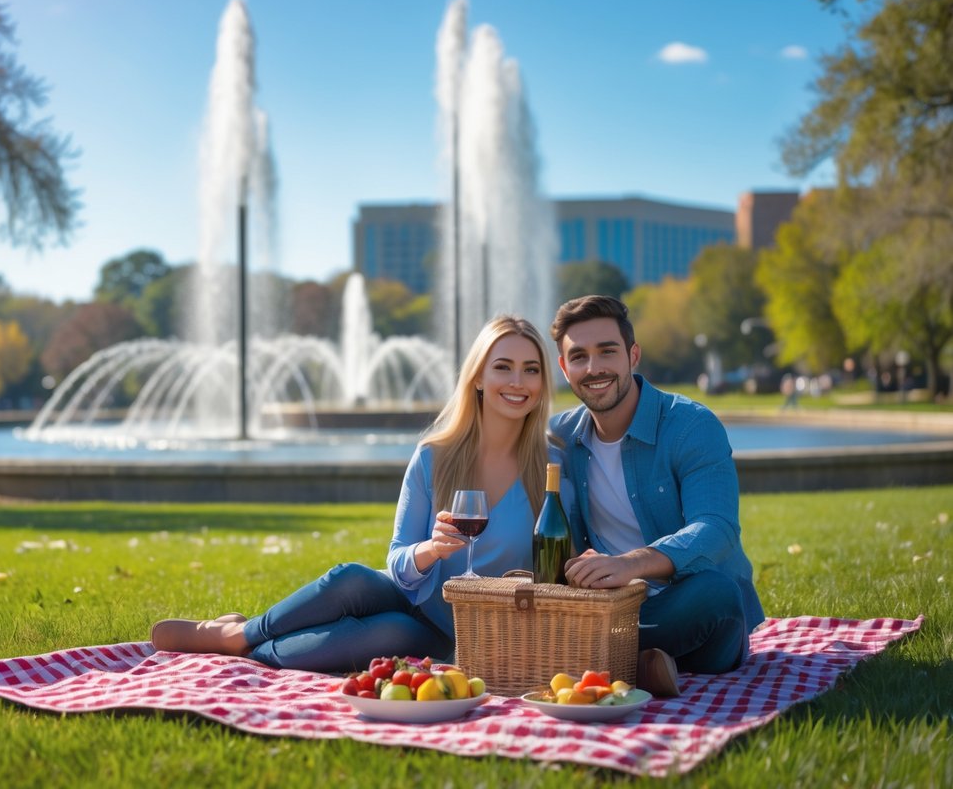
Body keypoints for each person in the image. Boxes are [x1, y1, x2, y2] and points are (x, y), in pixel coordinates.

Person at [150, 314, 556, 672]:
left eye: (531, 369)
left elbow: (558, 564)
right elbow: (397, 559)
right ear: (478, 378)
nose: (518, 382)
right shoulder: (434, 456)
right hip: (406, 593)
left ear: (542, 382)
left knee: (385, 635)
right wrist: (430, 550)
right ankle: (237, 635)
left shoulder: (553, 469)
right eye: (503, 367)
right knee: (350, 579)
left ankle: (254, 652)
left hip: (458, 629)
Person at [548, 295, 764, 696]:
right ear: (564, 368)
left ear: (633, 355)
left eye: (607, 352)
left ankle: (595, 660)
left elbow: (716, 528)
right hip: (610, 610)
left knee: (718, 594)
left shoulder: (690, 425)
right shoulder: (559, 439)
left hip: (685, 603)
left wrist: (633, 563)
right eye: (578, 357)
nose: (593, 368)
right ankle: (643, 666)